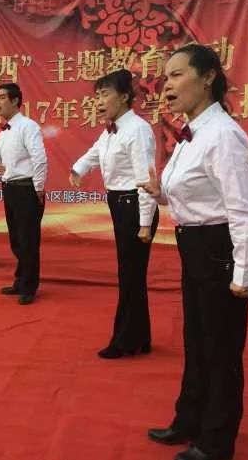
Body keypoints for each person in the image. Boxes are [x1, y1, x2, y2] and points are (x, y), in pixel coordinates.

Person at [140, 44, 248, 460]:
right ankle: (189, 420)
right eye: (165, 77)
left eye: (177, 75)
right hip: (194, 247)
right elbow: (201, 199)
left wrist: (243, 275)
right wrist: (161, 195)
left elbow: (243, 212)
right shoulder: (191, 134)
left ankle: (216, 441)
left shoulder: (224, 136)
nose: (167, 85)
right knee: (196, 341)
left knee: (221, 349)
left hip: (220, 252)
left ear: (208, 77)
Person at [70, 69, 159, 359]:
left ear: (124, 97)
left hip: (134, 206)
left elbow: (145, 179)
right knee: (130, 273)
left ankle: (125, 340)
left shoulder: (137, 129)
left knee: (130, 274)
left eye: (104, 94)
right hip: (120, 204)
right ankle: (139, 337)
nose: (98, 101)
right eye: (96, 95)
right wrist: (78, 169)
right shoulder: (110, 130)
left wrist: (144, 223)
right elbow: (95, 152)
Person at [0, 83, 48, 305]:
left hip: (27, 189)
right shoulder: (4, 132)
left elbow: (39, 158)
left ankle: (29, 286)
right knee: (16, 240)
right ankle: (21, 280)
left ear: (15, 101)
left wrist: (38, 187)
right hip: (9, 188)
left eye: (2, 97)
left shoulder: (28, 126)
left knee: (28, 240)